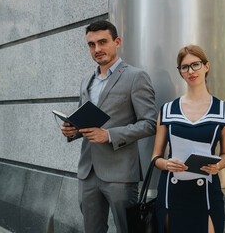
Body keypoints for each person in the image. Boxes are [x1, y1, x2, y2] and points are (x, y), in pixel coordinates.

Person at [60, 20, 157, 233]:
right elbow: (83, 121)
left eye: (103, 42)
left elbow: (150, 124)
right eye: (91, 44)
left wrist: (109, 135)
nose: (97, 49)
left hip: (120, 173)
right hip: (87, 172)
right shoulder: (87, 80)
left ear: (117, 42)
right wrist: (72, 130)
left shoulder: (135, 77)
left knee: (129, 229)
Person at [151, 45, 225, 233]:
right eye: (184, 67)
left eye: (195, 65)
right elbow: (155, 157)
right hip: (173, 192)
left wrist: (218, 166)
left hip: (206, 191)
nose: (190, 71)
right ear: (180, 72)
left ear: (206, 66)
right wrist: (167, 164)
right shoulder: (167, 110)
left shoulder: (224, 110)